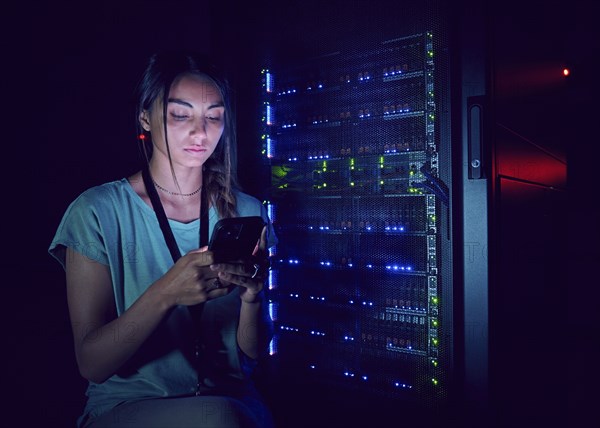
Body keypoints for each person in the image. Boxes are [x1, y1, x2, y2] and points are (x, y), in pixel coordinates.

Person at [48, 51, 277, 428]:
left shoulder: (248, 210)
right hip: (128, 406)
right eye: (180, 115)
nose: (201, 133)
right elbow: (92, 363)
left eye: (214, 117)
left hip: (233, 403)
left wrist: (253, 297)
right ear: (145, 117)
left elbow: (252, 353)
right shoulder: (96, 211)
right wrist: (167, 292)